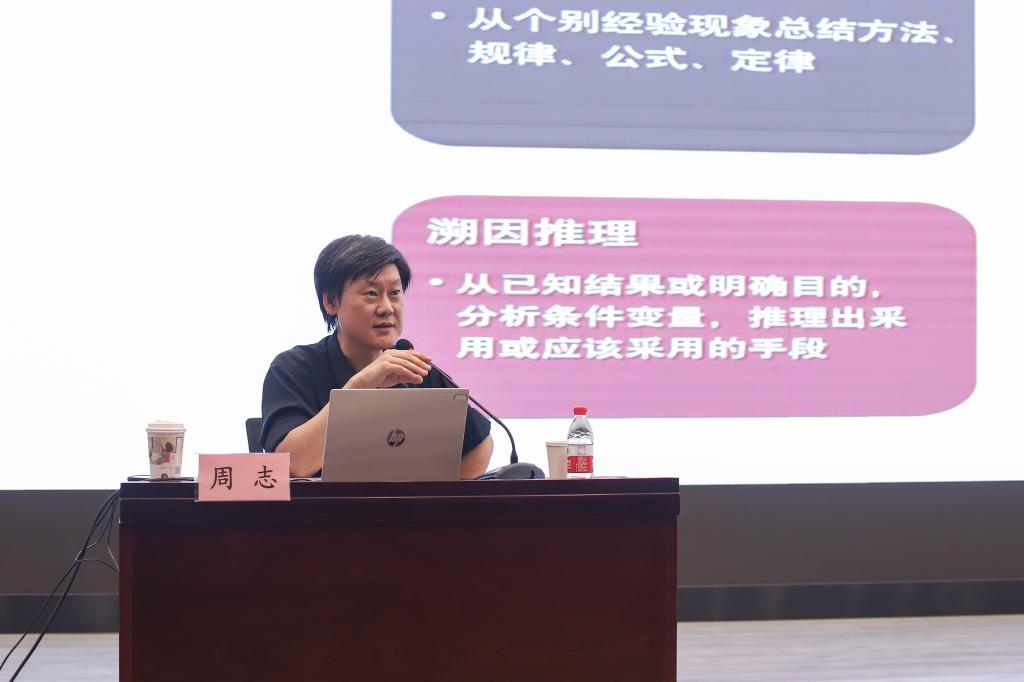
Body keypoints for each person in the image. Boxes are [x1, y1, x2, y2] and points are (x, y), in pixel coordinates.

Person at [259, 235, 493, 478]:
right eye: (371, 293)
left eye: (395, 293)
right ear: (330, 301)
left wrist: (438, 496)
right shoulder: (294, 368)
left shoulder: (415, 369)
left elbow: (479, 443)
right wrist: (358, 387)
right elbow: (291, 465)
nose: (387, 308)